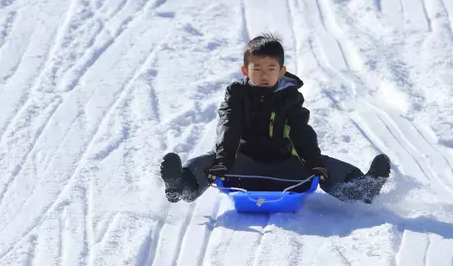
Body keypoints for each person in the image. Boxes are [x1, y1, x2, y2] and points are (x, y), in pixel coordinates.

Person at [160, 33, 391, 204]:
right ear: (245, 71)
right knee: (207, 163)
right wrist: (223, 159)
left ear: (282, 71)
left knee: (325, 166)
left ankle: (362, 189)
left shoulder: (289, 97)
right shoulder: (237, 94)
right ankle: (180, 186)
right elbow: (229, 125)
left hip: (284, 165)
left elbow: (301, 131)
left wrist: (314, 163)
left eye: (271, 69)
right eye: (257, 69)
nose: (264, 75)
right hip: (242, 163)